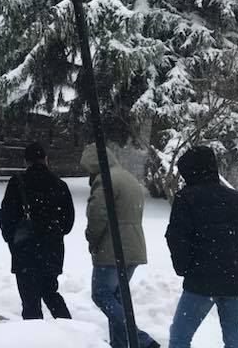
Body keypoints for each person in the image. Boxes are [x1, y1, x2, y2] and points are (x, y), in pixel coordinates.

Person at [165, 146, 238, 348]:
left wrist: (186, 267)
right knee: (234, 338)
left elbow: (177, 238)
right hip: (231, 281)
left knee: (180, 335)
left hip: (200, 282)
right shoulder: (235, 198)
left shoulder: (186, 198)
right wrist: (230, 260)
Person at [81, 145, 159, 348]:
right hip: (134, 246)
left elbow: (98, 215)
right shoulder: (127, 177)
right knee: (117, 297)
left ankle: (141, 340)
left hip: (112, 249)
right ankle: (120, 343)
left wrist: (91, 238)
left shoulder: (105, 180)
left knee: (101, 294)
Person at [0, 141, 75, 320]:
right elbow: (68, 222)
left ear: (26, 161)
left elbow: (7, 216)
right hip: (51, 251)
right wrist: (52, 233)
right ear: (46, 159)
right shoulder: (59, 185)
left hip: (25, 251)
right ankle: (70, 332)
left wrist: (13, 239)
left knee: (30, 301)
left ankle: (35, 338)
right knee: (51, 293)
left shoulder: (17, 183)